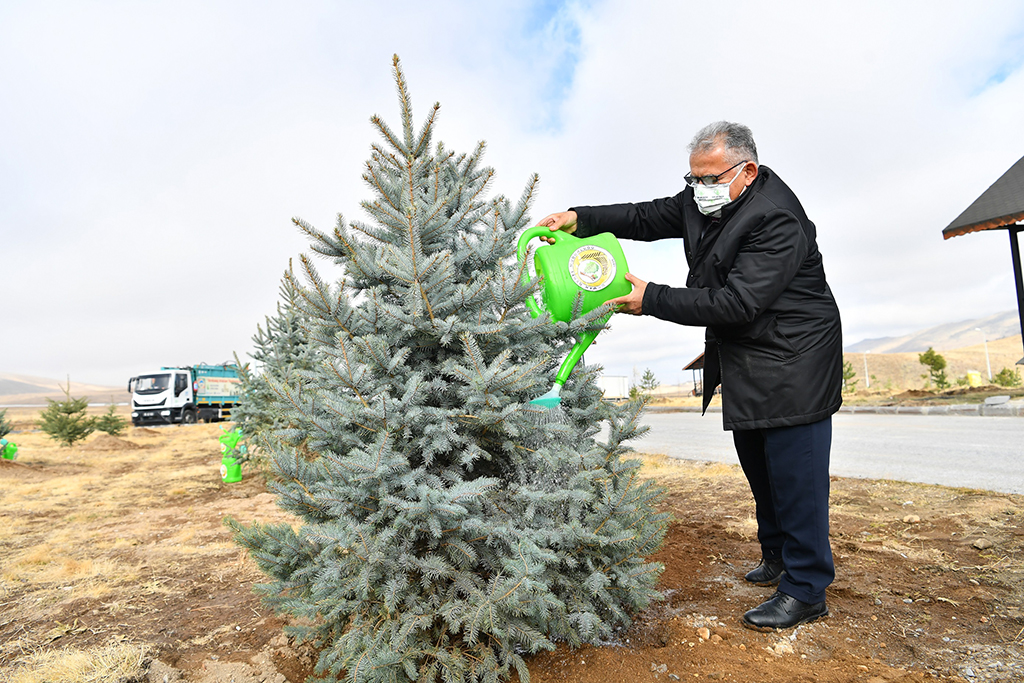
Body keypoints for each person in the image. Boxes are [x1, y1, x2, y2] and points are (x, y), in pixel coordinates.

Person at [538, 121, 843, 630]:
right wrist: (579, 218)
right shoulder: (703, 198)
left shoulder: (777, 220)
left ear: (747, 170)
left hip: (795, 361)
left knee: (796, 475)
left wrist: (650, 298)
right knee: (759, 463)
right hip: (749, 358)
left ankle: (807, 588)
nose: (698, 189)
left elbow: (738, 301)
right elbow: (643, 215)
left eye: (710, 178)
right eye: (693, 178)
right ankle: (777, 556)